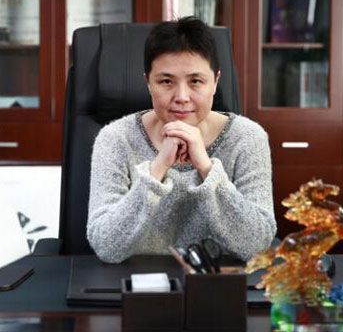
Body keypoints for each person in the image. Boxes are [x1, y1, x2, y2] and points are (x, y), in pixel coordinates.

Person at [87, 17, 276, 263]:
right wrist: (158, 168)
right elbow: (106, 246)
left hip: (218, 280)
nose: (182, 97)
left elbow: (257, 245)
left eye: (196, 81)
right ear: (148, 83)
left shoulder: (247, 138)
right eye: (166, 82)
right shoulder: (115, 139)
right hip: (135, 279)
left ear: (215, 82)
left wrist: (206, 169)